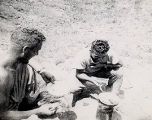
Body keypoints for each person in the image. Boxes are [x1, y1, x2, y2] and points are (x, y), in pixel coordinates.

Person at [0, 28, 58, 120]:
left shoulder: (14, 59)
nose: (37, 54)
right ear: (26, 50)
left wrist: (42, 71)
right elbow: (2, 115)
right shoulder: (3, 76)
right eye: (36, 51)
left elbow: (26, 59)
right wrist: (38, 111)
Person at [72, 40, 123, 106]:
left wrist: (106, 65)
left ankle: (112, 95)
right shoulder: (82, 56)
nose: (100, 59)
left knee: (119, 73)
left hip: (101, 70)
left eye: (102, 57)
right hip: (86, 73)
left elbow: (120, 64)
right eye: (96, 57)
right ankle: (79, 96)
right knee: (73, 88)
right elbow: (78, 74)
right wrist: (92, 79)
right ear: (91, 50)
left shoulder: (110, 53)